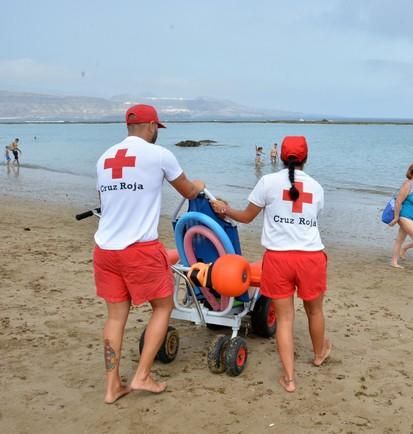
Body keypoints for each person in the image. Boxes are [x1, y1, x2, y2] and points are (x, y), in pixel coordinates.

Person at [93, 104, 204, 404]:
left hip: (105, 250)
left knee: (116, 317)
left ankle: (112, 386)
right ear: (152, 126)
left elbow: (108, 200)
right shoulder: (159, 155)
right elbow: (189, 192)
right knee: (162, 307)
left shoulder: (105, 159)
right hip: (139, 250)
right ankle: (142, 374)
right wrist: (200, 186)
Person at [210, 136, 330, 393]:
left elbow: (246, 217)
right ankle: (320, 354)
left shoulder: (267, 182)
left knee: (285, 319)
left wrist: (225, 209)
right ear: (306, 158)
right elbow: (313, 217)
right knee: (315, 311)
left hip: (278, 258)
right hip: (311, 257)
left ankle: (288, 378)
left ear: (282, 157)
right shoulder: (317, 187)